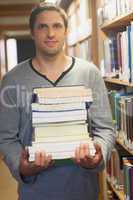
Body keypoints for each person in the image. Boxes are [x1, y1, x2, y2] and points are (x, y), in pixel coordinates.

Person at [0, 3, 115, 200]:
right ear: (32, 32)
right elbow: (6, 138)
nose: (50, 33)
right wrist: (23, 167)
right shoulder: (12, 80)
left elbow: (105, 128)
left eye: (57, 26)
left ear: (66, 31)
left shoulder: (89, 74)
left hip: (83, 189)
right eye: (42, 27)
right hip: (35, 192)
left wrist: (97, 156)